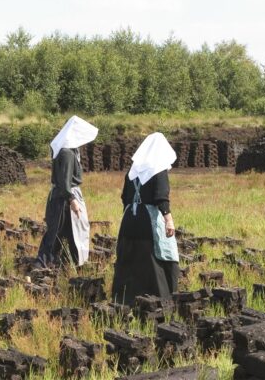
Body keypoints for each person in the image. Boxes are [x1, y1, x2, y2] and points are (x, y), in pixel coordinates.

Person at [111, 133, 180, 306]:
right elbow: (161, 197)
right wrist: (169, 220)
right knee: (156, 256)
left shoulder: (133, 171)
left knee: (130, 257)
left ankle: (125, 298)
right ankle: (159, 299)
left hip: (129, 219)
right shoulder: (158, 169)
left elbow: (125, 197)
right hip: (148, 219)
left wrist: (131, 215)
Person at [35, 116, 98, 269]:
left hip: (62, 197)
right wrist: (72, 200)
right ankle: (40, 265)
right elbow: (64, 181)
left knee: (67, 232)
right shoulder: (67, 153)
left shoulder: (67, 150)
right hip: (63, 199)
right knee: (56, 233)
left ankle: (67, 263)